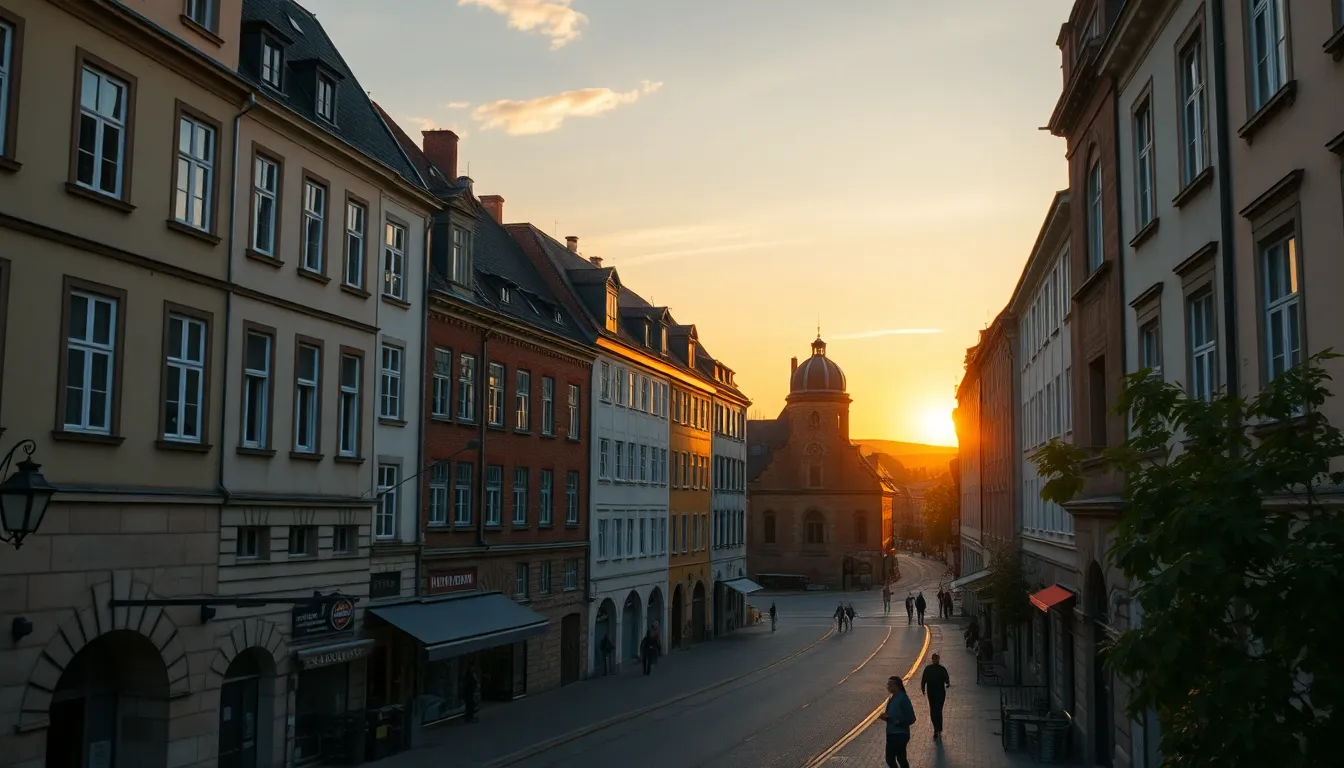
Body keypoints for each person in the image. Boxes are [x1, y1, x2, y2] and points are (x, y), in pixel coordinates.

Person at [877, 675, 916, 768]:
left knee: (892, 759)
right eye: (888, 684)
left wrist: (896, 721)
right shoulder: (892, 698)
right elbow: (891, 715)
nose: (888, 687)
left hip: (899, 734)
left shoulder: (903, 699)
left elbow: (911, 718)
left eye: (891, 685)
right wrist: (886, 717)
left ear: (898, 686)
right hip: (892, 733)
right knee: (900, 758)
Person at [920, 653, 951, 739]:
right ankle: (937, 729)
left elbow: (947, 679)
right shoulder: (937, 669)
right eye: (934, 659)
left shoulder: (934, 669)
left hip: (937, 693)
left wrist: (948, 683)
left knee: (936, 711)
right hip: (935, 693)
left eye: (936, 659)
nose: (935, 660)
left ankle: (937, 729)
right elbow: (924, 680)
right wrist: (923, 689)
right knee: (936, 711)